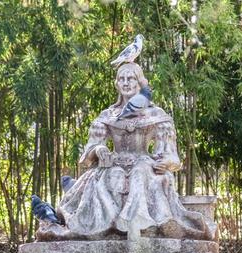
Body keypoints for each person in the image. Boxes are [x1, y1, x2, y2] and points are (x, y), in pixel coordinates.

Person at [37, 62, 215, 242]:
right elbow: (90, 151)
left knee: (141, 173)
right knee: (107, 178)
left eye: (131, 78)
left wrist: (165, 162)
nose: (126, 83)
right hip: (113, 163)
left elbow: (171, 155)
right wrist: (99, 150)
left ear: (139, 82)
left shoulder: (156, 114)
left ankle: (141, 225)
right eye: (121, 79)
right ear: (116, 84)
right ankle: (105, 228)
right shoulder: (108, 115)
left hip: (144, 163)